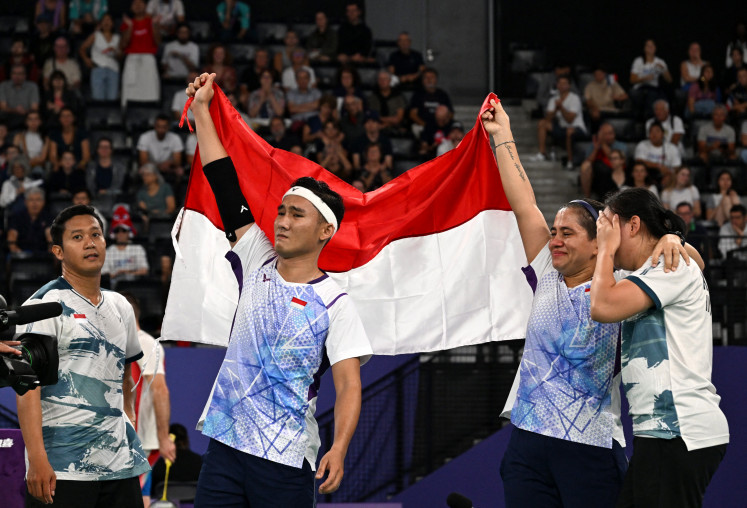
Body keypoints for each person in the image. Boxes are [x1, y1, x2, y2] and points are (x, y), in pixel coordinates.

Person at [481, 98, 689, 508]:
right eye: (554, 230)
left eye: (567, 233)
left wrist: (674, 239)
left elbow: (691, 266)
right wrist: (502, 135)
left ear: (598, 244)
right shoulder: (546, 271)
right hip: (528, 441)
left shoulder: (625, 282)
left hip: (589, 444)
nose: (555, 239)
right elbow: (523, 200)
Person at [187, 72, 372, 506]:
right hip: (225, 446)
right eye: (282, 211)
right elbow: (223, 180)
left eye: (297, 215)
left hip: (286, 457)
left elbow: (349, 386)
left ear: (326, 230)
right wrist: (201, 111)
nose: (283, 221)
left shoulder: (336, 303)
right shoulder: (258, 258)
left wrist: (340, 448)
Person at [591, 188, 728, 508]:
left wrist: (607, 250)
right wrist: (675, 238)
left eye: (609, 225)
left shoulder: (669, 266)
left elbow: (602, 306)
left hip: (680, 431)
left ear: (633, 225)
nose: (603, 235)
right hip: (662, 434)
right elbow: (698, 258)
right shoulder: (649, 266)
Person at [16, 204, 150, 507]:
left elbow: (125, 374)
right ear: (58, 251)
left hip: (120, 467)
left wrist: (128, 420)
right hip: (63, 469)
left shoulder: (121, 306)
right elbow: (27, 388)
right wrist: (37, 460)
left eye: (96, 234)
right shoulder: (43, 306)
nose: (90, 243)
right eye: (77, 237)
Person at [121, 292, 176, 507]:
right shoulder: (120, 344)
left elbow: (160, 391)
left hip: (140, 442)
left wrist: (163, 438)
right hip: (127, 441)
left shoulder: (146, 344)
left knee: (133, 498)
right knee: (137, 497)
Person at [534, 74, 587, 168]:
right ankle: (542, 153)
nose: (562, 86)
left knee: (569, 131)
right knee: (542, 123)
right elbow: (548, 119)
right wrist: (555, 109)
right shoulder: (554, 99)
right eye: (560, 83)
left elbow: (570, 120)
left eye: (565, 83)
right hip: (562, 127)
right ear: (557, 85)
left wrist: (561, 107)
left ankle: (570, 162)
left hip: (577, 128)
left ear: (569, 85)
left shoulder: (574, 98)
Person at [120, 0, 161, 107]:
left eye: (140, 3)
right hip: (132, 60)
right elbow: (123, 44)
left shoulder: (151, 22)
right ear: (131, 7)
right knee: (130, 91)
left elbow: (158, 42)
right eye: (135, 3)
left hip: (148, 60)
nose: (138, 6)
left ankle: (151, 111)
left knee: (150, 89)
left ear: (146, 6)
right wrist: (130, 27)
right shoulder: (127, 23)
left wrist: (154, 25)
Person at [150, 423, 202, 499]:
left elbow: (152, 493)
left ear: (168, 440)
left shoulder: (159, 464)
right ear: (186, 439)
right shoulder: (200, 462)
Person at [79, 13, 121, 101]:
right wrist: (86, 59)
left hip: (113, 70)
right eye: (104, 20)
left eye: (109, 20)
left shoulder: (117, 38)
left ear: (113, 23)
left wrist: (115, 52)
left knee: (112, 99)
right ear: (100, 23)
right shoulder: (96, 35)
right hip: (98, 68)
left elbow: (121, 56)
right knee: (98, 99)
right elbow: (82, 48)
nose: (106, 22)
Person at [579, 123, 628, 198]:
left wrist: (603, 144)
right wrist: (596, 149)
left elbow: (614, 160)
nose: (608, 136)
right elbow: (588, 162)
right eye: (605, 134)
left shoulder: (621, 146)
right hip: (597, 176)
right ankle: (587, 198)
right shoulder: (593, 145)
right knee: (586, 166)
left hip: (614, 174)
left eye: (610, 133)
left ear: (614, 134)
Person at [102, 215, 149, 288]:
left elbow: (144, 271)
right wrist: (118, 274)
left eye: (123, 231)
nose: (120, 234)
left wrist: (127, 272)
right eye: (117, 231)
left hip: (134, 286)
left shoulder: (138, 249)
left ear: (128, 233)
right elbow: (105, 274)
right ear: (114, 234)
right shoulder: (108, 252)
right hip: (114, 287)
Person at [630, 39, 673, 118]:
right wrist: (644, 78)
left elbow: (669, 80)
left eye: (652, 46)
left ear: (655, 48)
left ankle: (650, 117)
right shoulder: (638, 61)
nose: (650, 47)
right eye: (648, 46)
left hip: (653, 88)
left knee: (655, 95)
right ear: (644, 48)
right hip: (640, 87)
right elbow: (632, 80)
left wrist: (664, 70)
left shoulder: (660, 61)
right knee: (634, 93)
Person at [137, 114, 184, 181]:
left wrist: (169, 163)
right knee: (142, 170)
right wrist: (158, 166)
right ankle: (147, 191)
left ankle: (173, 191)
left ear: (168, 127)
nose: (161, 129)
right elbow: (143, 161)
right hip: (150, 166)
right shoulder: (145, 137)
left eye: (164, 127)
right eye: (159, 126)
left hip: (169, 167)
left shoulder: (175, 138)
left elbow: (178, 161)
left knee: (180, 171)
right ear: (155, 126)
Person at [7, 187, 53, 255]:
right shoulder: (16, 217)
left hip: (42, 255)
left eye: (38, 200)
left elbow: (50, 238)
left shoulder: (48, 217)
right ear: (25, 202)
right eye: (31, 200)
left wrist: (50, 255)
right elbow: (12, 237)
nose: (34, 203)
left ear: (43, 202)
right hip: (20, 254)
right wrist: (19, 254)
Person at [634, 121, 680, 187]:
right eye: (651, 132)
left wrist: (669, 175)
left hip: (666, 176)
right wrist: (658, 166)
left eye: (657, 131)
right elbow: (639, 161)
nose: (654, 134)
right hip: (647, 177)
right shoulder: (642, 145)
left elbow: (676, 167)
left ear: (663, 134)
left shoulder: (672, 148)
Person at [408, 68, 452, 136]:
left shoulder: (442, 94)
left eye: (432, 77)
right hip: (423, 126)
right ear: (422, 80)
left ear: (436, 79)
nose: (429, 80)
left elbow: (450, 113)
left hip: (441, 126)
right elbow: (412, 114)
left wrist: (443, 123)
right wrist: (427, 126)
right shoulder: (418, 95)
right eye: (426, 77)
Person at [0, 64, 40, 130]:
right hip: (7, 116)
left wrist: (24, 111)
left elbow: (34, 108)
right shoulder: (3, 86)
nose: (17, 76)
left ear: (25, 75)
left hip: (25, 116)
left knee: (32, 118)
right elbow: (3, 107)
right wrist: (15, 110)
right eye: (14, 73)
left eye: (20, 73)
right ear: (11, 75)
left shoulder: (32, 86)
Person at [367, 70, 407, 135]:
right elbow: (371, 116)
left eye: (385, 79)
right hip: (376, 127)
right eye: (380, 79)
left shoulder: (398, 97)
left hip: (395, 128)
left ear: (390, 80)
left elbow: (398, 119)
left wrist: (382, 122)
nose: (382, 81)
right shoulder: (372, 98)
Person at [12, 111, 50, 176]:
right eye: (30, 119)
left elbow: (42, 158)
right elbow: (14, 154)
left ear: (40, 121)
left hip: (37, 166)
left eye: (36, 119)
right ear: (26, 122)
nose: (33, 122)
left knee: (38, 171)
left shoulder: (45, 138)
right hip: (21, 165)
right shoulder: (19, 137)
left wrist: (31, 162)